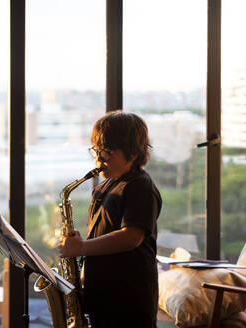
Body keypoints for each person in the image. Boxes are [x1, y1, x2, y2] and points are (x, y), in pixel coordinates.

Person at [58, 111, 162, 328]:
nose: (98, 160)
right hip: (104, 294)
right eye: (95, 151)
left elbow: (131, 237)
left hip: (128, 298)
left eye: (106, 153)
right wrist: (79, 243)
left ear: (132, 154)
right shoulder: (104, 187)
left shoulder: (139, 185)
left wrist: (82, 247)